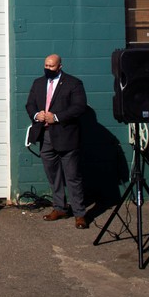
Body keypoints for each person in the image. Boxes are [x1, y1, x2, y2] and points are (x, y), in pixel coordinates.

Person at [25, 54, 89, 229]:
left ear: (60, 66)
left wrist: (58, 117)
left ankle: (79, 213)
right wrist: (37, 115)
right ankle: (60, 207)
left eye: (51, 66)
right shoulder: (38, 83)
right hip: (45, 136)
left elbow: (79, 107)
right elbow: (29, 104)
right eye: (45, 65)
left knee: (72, 176)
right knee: (53, 176)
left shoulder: (73, 83)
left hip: (66, 137)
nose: (47, 68)